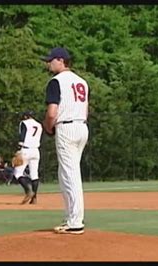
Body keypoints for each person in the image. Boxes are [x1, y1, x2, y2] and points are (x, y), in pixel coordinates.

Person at [42, 47, 89, 235]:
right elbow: (86, 108)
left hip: (66, 128)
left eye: (51, 60)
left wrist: (48, 126)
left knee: (70, 175)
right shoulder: (82, 81)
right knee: (66, 173)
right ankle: (71, 216)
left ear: (61, 60)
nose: (48, 63)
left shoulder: (56, 81)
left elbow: (52, 112)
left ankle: (75, 221)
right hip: (81, 126)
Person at [13, 110, 43, 204]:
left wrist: (18, 150)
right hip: (36, 151)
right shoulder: (39, 125)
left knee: (17, 173)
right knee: (34, 174)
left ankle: (28, 190)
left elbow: (22, 136)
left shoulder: (24, 123)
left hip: (25, 150)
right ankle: (34, 198)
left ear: (26, 116)